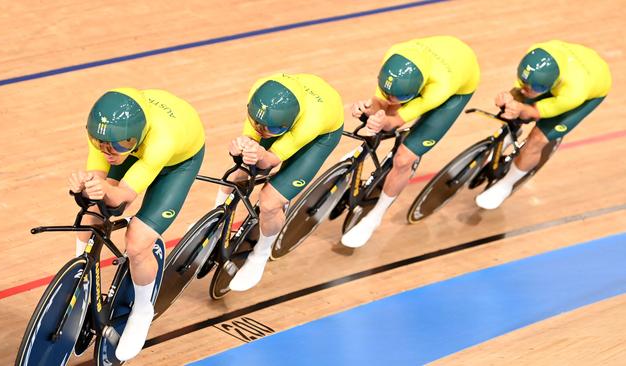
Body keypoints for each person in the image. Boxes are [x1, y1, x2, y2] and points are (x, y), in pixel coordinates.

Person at [68, 88, 205, 361]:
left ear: (138, 136)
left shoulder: (160, 141)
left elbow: (120, 198)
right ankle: (79, 281)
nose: (109, 152)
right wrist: (83, 189)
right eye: (100, 143)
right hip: (138, 150)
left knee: (138, 242)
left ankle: (143, 309)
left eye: (118, 145)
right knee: (92, 213)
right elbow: (98, 187)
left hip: (177, 163)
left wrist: (102, 189)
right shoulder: (108, 137)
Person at [341, 35, 480, 248]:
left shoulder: (441, 87)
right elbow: (381, 102)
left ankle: (375, 217)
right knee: (382, 110)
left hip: (458, 83)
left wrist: (385, 119)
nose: (390, 97)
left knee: (404, 159)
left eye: (397, 96)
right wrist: (367, 109)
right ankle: (360, 154)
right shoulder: (394, 57)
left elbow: (394, 121)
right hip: (438, 57)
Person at [216, 73, 343, 292]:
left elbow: (272, 159)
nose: (262, 131)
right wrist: (240, 146)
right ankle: (216, 223)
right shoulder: (261, 96)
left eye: (271, 130)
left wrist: (259, 154)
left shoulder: (312, 121)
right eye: (257, 122)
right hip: (284, 115)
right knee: (239, 173)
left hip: (320, 135)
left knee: (270, 202)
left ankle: (261, 254)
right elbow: (252, 137)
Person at [476, 40, 612, 209]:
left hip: (588, 91)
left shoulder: (574, 93)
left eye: (533, 87)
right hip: (571, 67)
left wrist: (521, 107)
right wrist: (510, 98)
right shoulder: (537, 52)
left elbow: (535, 112)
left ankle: (506, 185)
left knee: (536, 139)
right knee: (518, 102)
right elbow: (521, 88)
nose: (525, 88)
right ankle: (509, 135)